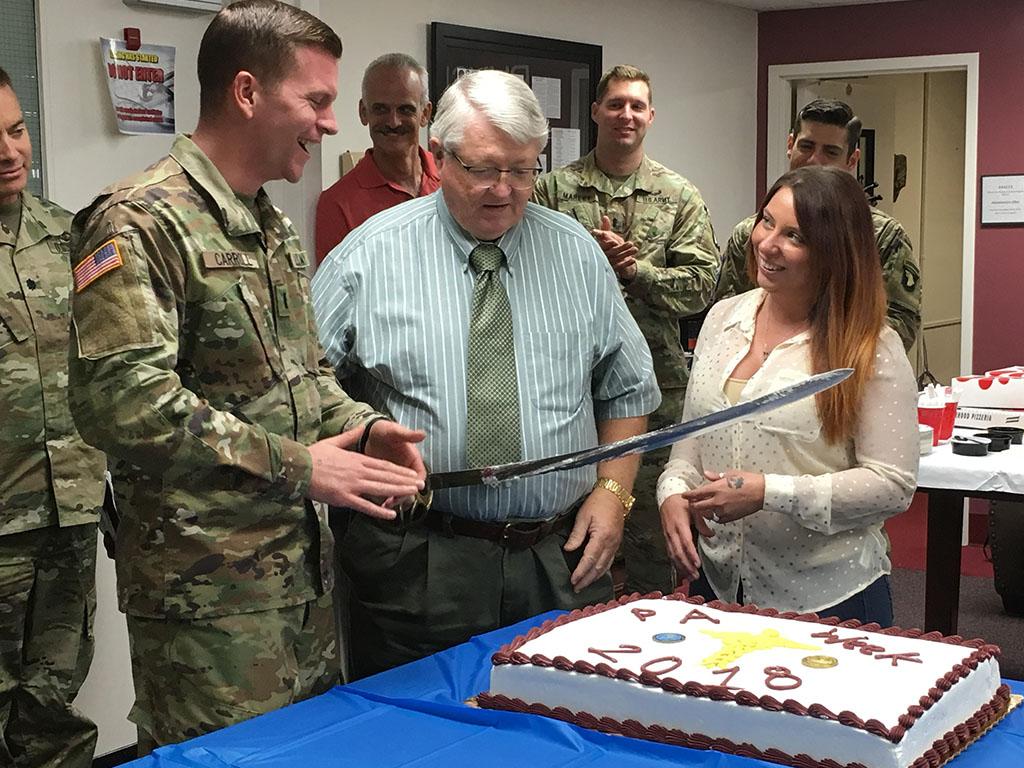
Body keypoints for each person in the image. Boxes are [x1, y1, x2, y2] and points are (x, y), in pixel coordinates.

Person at [66, 0, 426, 751]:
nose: (330, 124)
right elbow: (122, 400)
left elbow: (303, 375)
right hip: (207, 601)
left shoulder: (270, 225)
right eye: (317, 100)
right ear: (247, 92)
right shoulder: (139, 222)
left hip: (300, 581)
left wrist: (362, 429)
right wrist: (302, 466)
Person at [312, 69, 660, 676]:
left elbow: (627, 387)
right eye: (484, 169)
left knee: (563, 718)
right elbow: (304, 387)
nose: (505, 190)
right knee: (414, 719)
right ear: (439, 154)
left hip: (558, 558)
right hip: (416, 558)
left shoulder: (576, 254)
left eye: (523, 170)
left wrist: (613, 494)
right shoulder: (367, 257)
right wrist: (358, 440)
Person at [658, 166, 918, 627]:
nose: (767, 244)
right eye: (766, 221)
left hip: (825, 597)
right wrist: (672, 492)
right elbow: (692, 442)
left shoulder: (870, 347)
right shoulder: (722, 320)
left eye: (794, 236)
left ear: (833, 251)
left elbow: (892, 485)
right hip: (718, 585)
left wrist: (769, 493)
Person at [532, 65, 718, 597]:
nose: (626, 115)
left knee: (651, 548)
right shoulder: (551, 190)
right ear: (596, 111)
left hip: (655, 391)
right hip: (570, 389)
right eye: (615, 104)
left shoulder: (678, 194)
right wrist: (590, 265)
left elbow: (703, 285)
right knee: (570, 537)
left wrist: (637, 273)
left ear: (651, 116)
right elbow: (526, 274)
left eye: (637, 105)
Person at [0, 66, 106, 768]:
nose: (10, 152)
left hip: (69, 515)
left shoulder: (70, 236)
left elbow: (109, 366)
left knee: (52, 704)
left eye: (17, 130)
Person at [714, 99, 921, 352]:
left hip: (840, 365)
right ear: (790, 145)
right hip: (758, 361)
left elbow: (900, 327)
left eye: (831, 152)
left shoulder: (881, 237)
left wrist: (808, 351)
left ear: (852, 159)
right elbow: (728, 314)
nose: (815, 160)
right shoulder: (753, 234)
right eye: (806, 146)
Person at [314, 53, 440, 264]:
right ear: (363, 112)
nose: (393, 122)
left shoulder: (453, 178)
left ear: (425, 114)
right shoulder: (337, 204)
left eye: (405, 109)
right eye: (381, 109)